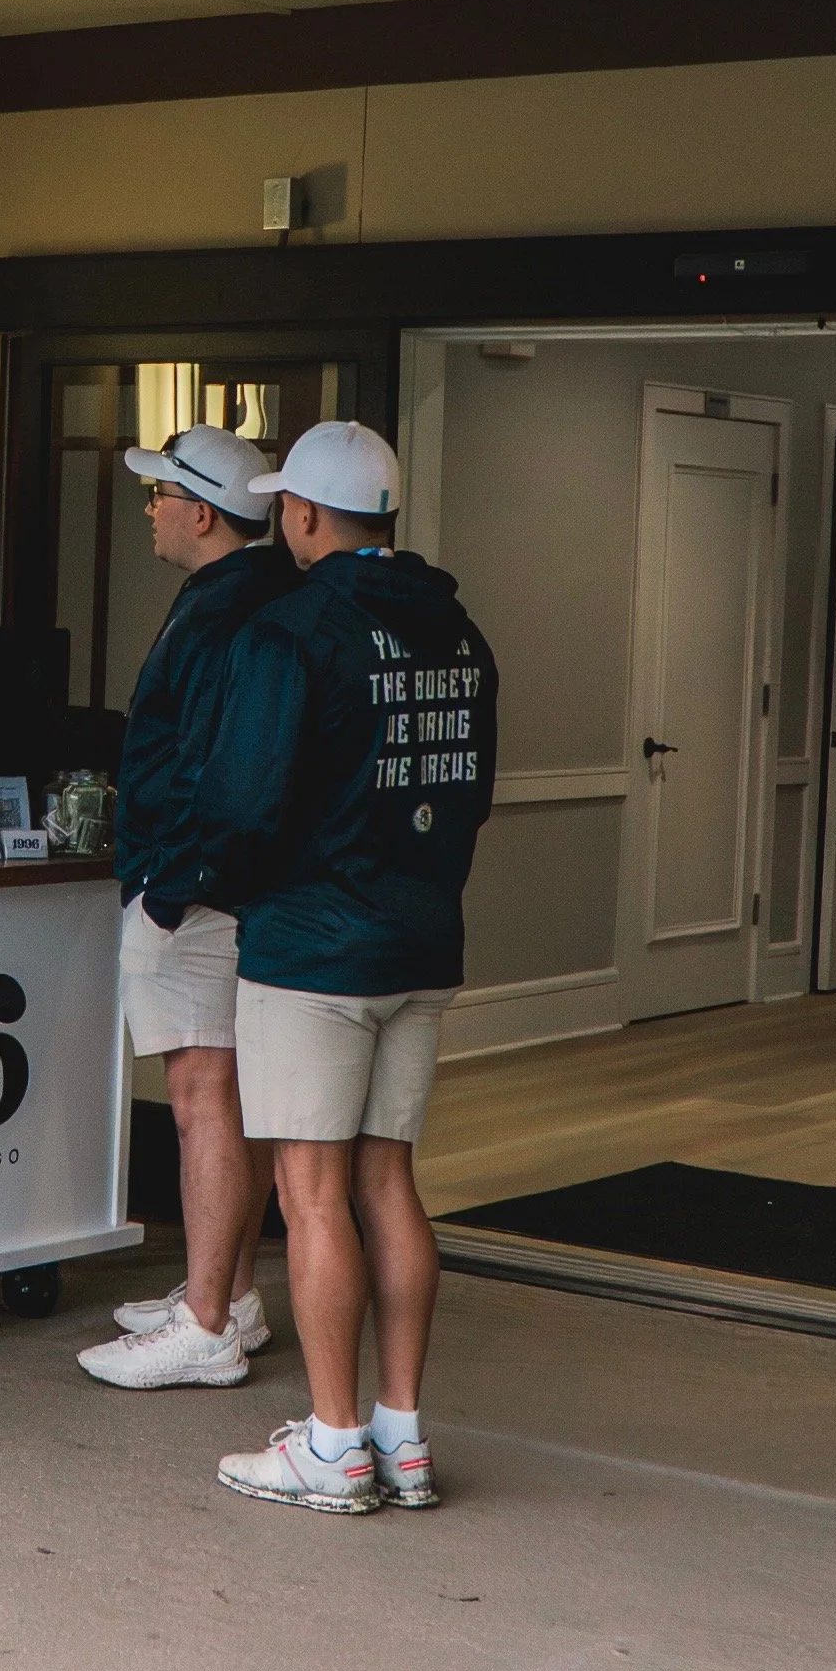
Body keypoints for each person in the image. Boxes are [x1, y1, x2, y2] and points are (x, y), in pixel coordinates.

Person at [196, 421, 497, 1512]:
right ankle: (400, 1434)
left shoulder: (289, 631)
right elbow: (467, 791)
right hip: (422, 938)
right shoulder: (457, 634)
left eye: (286, 508)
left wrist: (217, 883)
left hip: (313, 947)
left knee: (309, 1190)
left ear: (304, 515)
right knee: (386, 1181)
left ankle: (330, 1444)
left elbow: (239, 799)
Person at [77, 426, 292, 1393]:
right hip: (231, 890)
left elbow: (214, 768)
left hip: (193, 894)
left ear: (202, 512)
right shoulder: (261, 596)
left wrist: (166, 891)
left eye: (160, 493)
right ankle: (230, 1294)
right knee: (229, 1102)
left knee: (202, 1101)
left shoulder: (218, 614)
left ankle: (207, 1323)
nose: (152, 509)